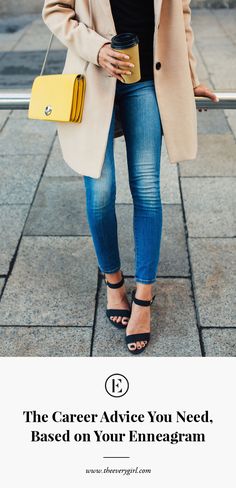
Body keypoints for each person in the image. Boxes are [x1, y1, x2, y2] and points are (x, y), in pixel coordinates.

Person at [42, 0, 218, 355]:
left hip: (150, 80)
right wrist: (98, 49)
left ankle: (144, 295)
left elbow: (180, 20)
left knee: (148, 189)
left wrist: (192, 79)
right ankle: (113, 281)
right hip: (94, 76)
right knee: (101, 188)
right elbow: (56, 11)